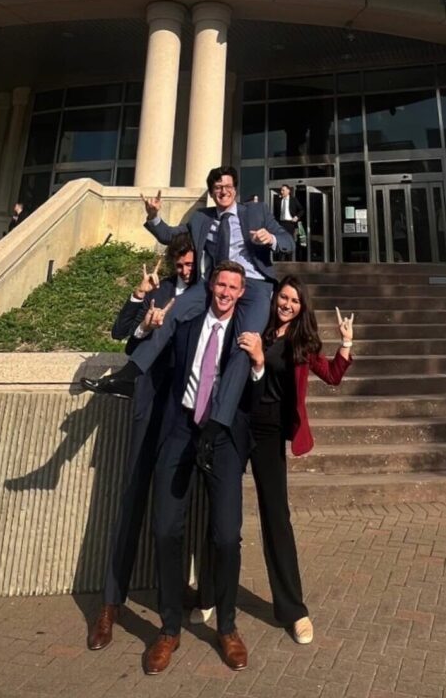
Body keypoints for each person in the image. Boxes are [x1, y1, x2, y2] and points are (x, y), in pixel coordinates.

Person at [80, 166, 292, 401]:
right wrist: (153, 216)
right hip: (214, 283)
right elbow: (170, 235)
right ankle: (128, 376)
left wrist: (270, 238)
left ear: (236, 189)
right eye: (218, 188)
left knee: (245, 343)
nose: (224, 192)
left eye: (228, 187)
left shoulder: (256, 211)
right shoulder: (202, 218)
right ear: (212, 192)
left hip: (253, 284)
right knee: (171, 312)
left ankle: (225, 411)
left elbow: (287, 241)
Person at [144, 261, 259, 674]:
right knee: (164, 529)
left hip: (223, 439)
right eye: (221, 284)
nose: (226, 292)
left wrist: (260, 364)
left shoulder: (246, 339)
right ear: (211, 286)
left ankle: (227, 627)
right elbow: (147, 351)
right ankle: (169, 628)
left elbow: (261, 394)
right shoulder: (190, 324)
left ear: (242, 292)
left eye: (233, 287)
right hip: (182, 432)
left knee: (227, 537)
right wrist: (147, 321)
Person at [86, 235, 196, 652]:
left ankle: (172, 603)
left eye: (191, 264)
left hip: (182, 416)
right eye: (181, 264)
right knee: (129, 506)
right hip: (148, 408)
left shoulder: (207, 295)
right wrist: (140, 310)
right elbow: (122, 335)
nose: (186, 269)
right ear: (172, 263)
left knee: (174, 514)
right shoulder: (160, 290)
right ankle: (110, 605)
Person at [238, 276, 354, 645]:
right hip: (236, 424)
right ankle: (210, 595)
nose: (287, 304)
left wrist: (346, 341)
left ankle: (293, 610)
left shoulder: (301, 344)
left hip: (270, 433)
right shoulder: (258, 325)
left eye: (294, 300)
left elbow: (333, 375)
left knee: (277, 518)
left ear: (302, 307)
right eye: (283, 297)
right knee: (218, 511)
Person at [274, 185, 303, 259]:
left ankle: (289, 258)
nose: (281, 192)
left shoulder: (293, 200)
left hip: (290, 223)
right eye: (281, 190)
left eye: (283, 190)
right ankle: (281, 258)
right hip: (281, 223)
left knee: (289, 240)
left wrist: (296, 217)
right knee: (281, 240)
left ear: (288, 191)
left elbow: (301, 210)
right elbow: (276, 213)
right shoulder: (279, 200)